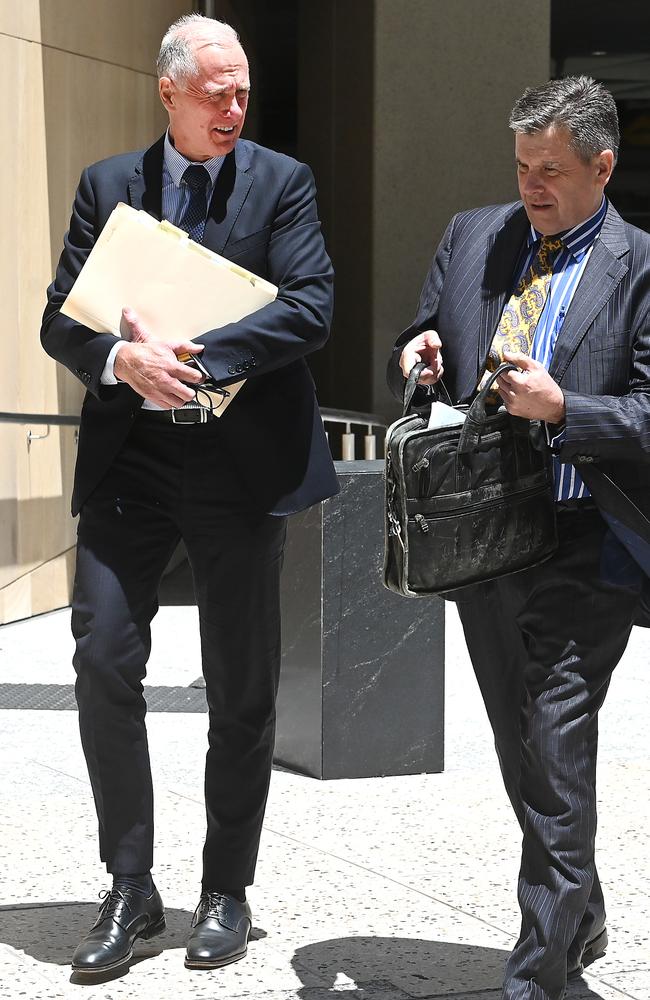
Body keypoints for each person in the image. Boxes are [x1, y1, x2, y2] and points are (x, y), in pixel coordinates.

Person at [41, 13, 338, 975]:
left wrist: (201, 355)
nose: (235, 105)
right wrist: (122, 357)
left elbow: (311, 305)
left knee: (242, 688)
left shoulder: (281, 183)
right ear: (168, 90)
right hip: (132, 462)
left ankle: (227, 890)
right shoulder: (107, 186)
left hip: (239, 467)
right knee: (102, 659)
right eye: (217, 90)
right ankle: (131, 885)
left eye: (244, 89)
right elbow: (62, 318)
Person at [388, 76, 650, 1000]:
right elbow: (429, 330)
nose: (530, 185)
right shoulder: (474, 234)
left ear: (601, 166)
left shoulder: (642, 266)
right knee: (522, 745)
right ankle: (580, 911)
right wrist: (416, 356)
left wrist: (568, 408)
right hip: (482, 539)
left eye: (550, 170)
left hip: (587, 541)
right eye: (521, 166)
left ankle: (540, 976)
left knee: (555, 737)